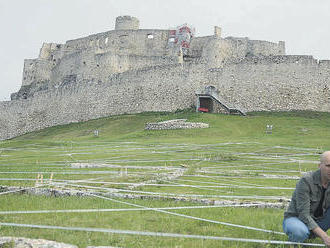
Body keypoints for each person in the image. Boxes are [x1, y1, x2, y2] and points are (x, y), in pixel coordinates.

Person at [283, 151, 330, 247]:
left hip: (319, 220)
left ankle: (310, 235)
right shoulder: (306, 181)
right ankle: (296, 242)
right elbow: (303, 215)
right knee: (299, 231)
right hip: (297, 218)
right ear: (319, 166)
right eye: (328, 166)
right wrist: (324, 236)